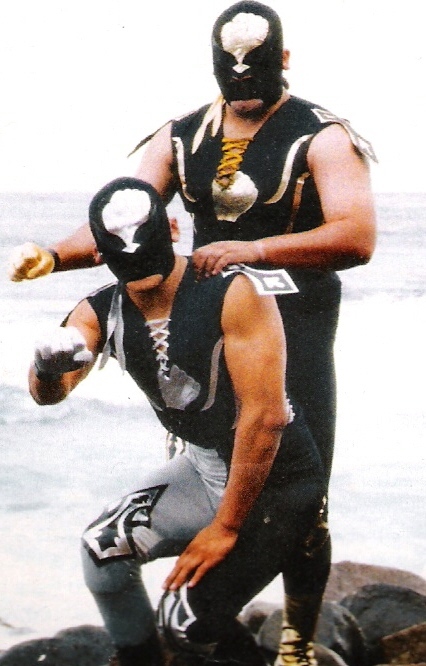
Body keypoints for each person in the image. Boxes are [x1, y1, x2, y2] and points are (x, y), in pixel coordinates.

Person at [9, 1, 377, 494]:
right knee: (208, 452)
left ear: (284, 59)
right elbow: (126, 215)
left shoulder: (323, 136)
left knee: (296, 469)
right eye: (231, 76)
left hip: (296, 314)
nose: (244, 88)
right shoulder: (180, 135)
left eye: (257, 72)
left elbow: (356, 236)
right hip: (207, 310)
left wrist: (254, 250)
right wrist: (53, 257)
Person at [28, 177, 330, 666]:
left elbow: (266, 418)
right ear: (100, 254)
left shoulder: (232, 290)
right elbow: (50, 395)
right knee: (102, 551)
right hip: (206, 467)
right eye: (127, 262)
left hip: (277, 484)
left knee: (185, 621)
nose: (143, 276)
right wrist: (46, 368)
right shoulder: (99, 310)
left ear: (172, 229)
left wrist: (226, 526)